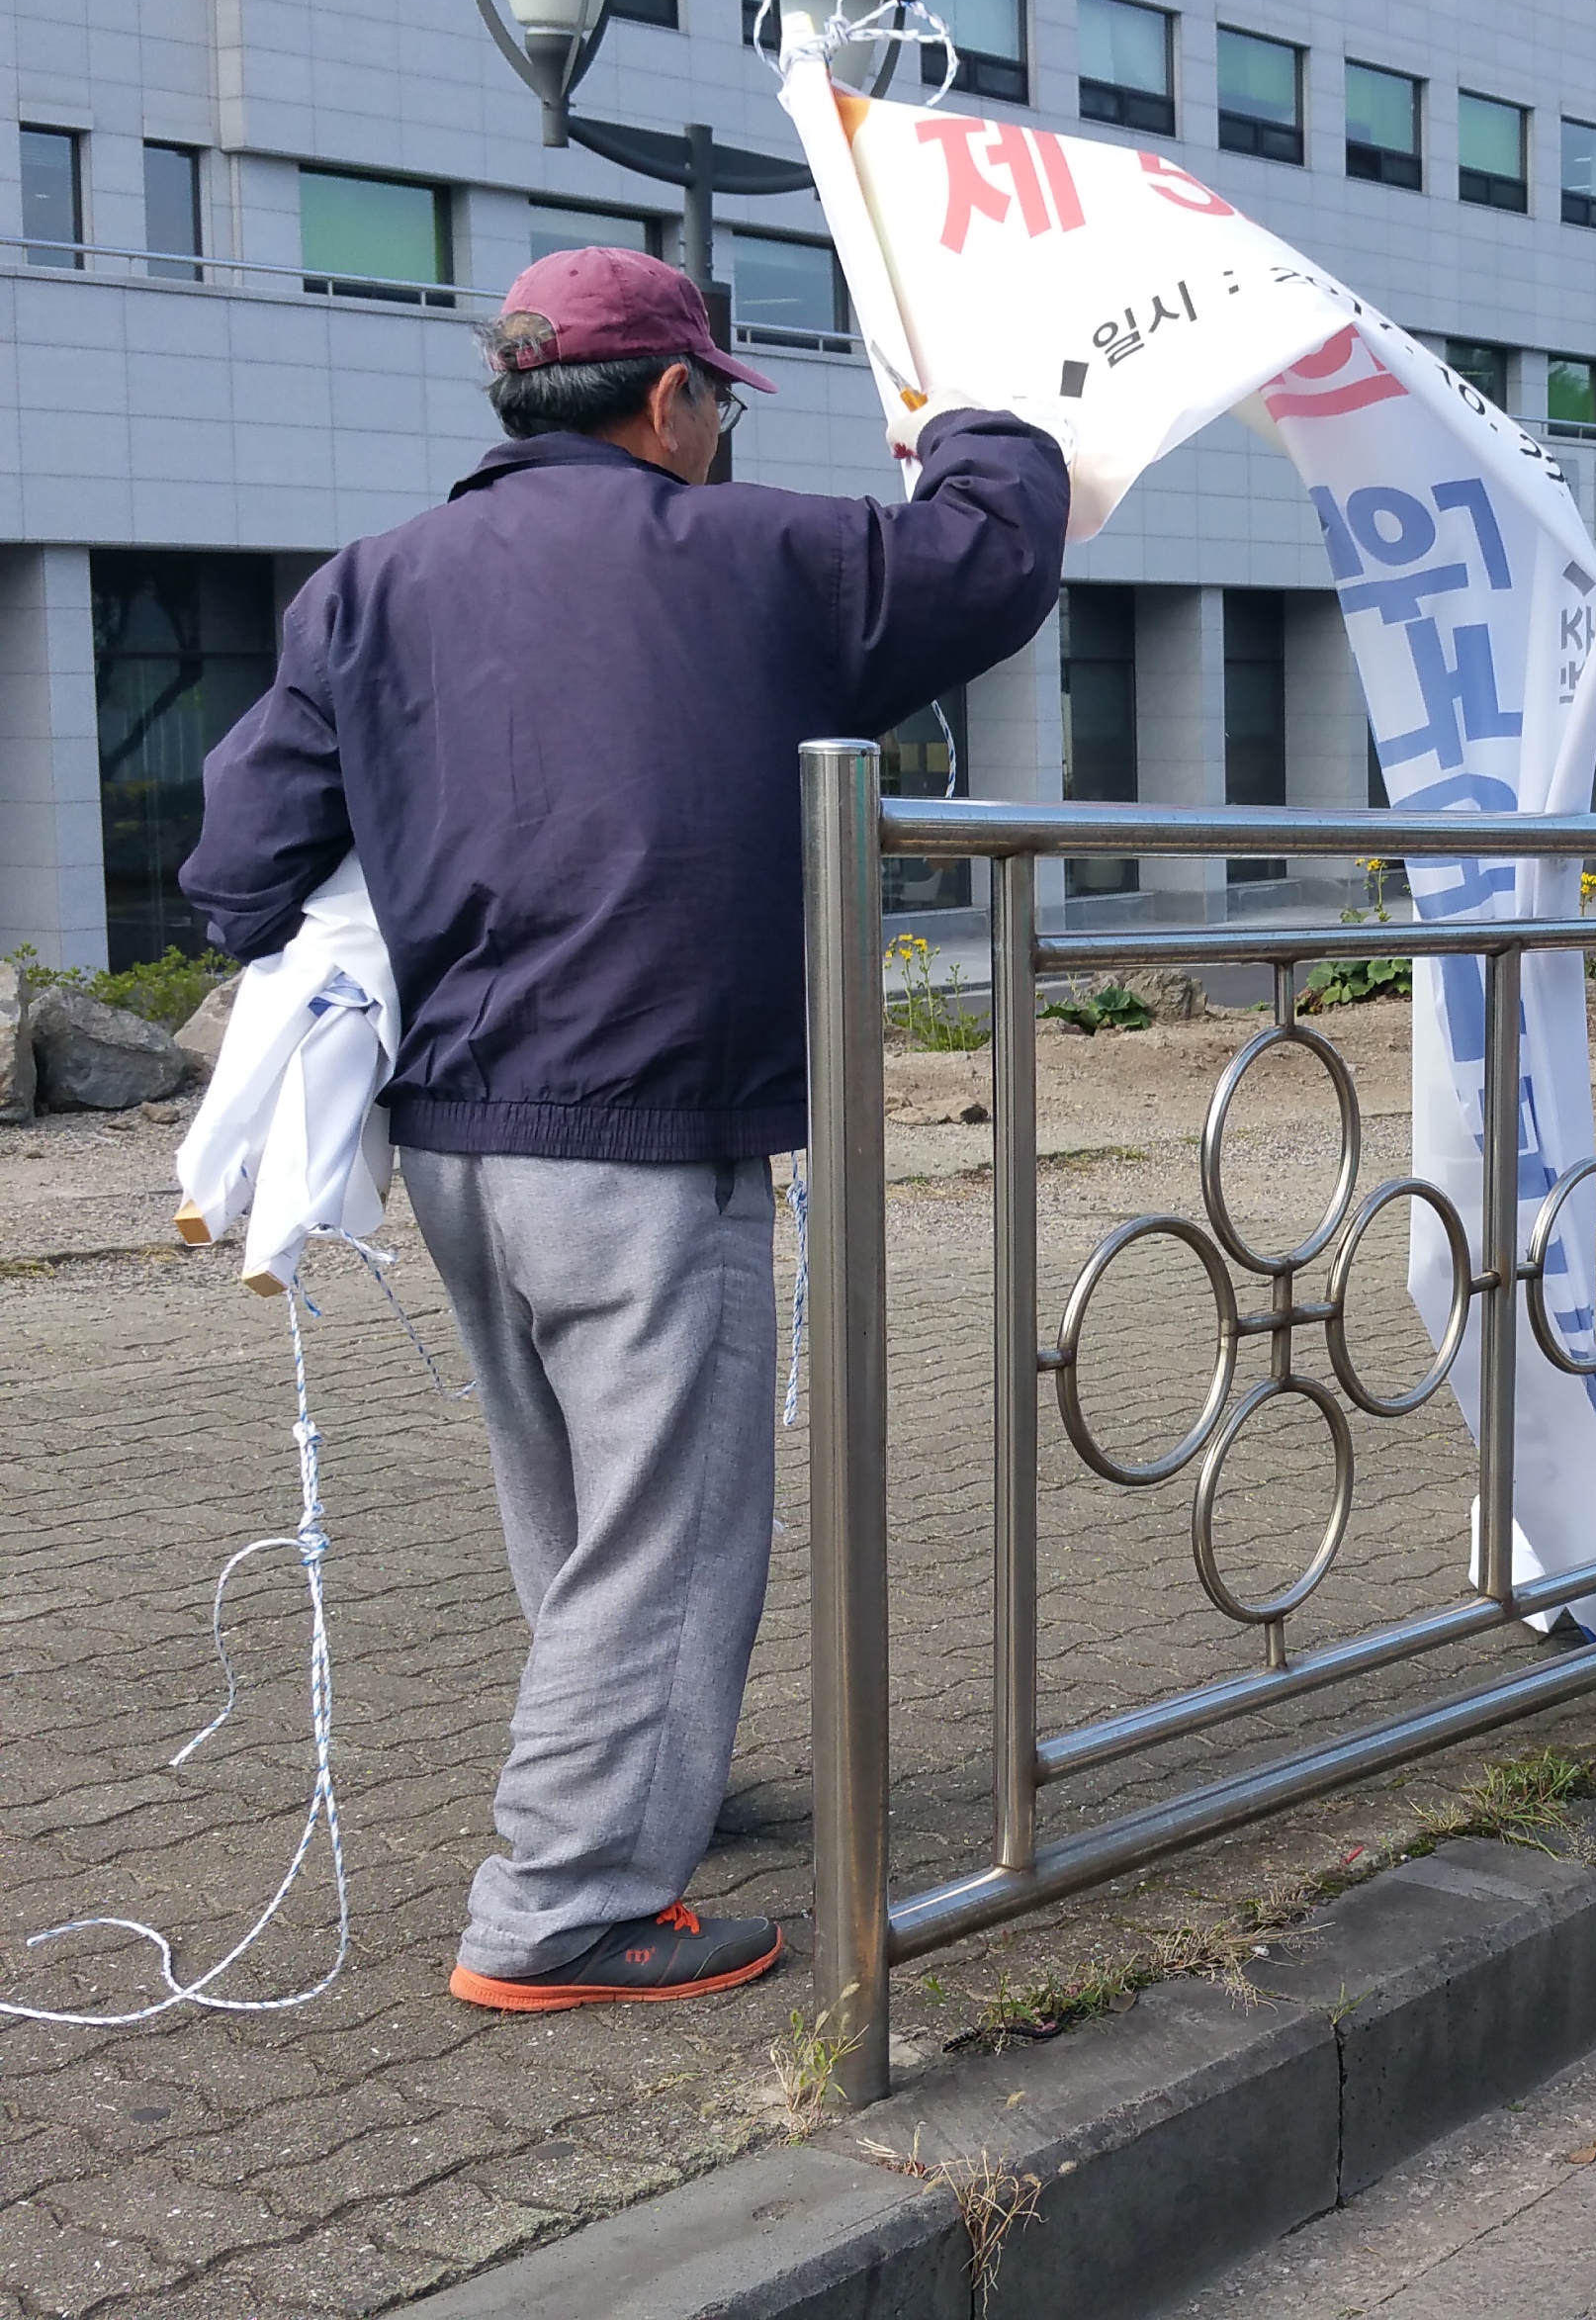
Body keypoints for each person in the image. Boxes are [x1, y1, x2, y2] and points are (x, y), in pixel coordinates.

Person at [179, 248, 1069, 2012]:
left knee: (578, 1504)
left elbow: (232, 871)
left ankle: (636, 1779)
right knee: (667, 1519)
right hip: (650, 1123)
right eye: (720, 402)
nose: (726, 431)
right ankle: (564, 1902)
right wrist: (968, 404)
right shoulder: (756, 559)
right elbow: (991, 551)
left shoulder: (366, 586)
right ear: (670, 402)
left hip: (453, 1133)